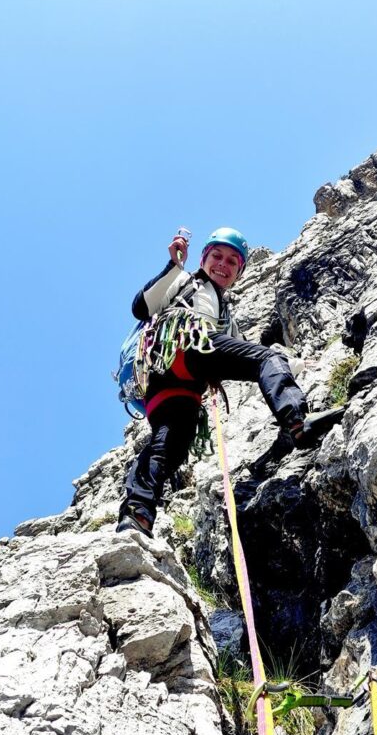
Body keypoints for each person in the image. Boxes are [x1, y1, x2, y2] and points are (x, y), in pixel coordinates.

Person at [117, 227, 344, 536]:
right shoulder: (186, 282)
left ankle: (136, 516)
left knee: (168, 446)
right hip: (186, 348)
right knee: (267, 358)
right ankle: (296, 420)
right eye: (217, 257)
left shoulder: (226, 317)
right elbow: (140, 308)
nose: (223, 265)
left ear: (239, 272)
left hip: (173, 386)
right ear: (203, 259)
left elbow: (246, 354)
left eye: (232, 261)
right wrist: (174, 267)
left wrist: (299, 363)